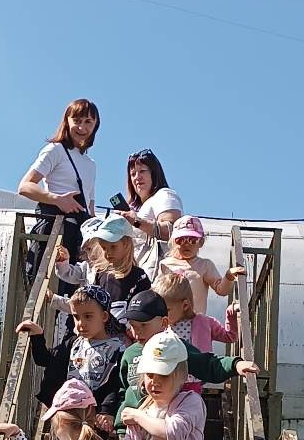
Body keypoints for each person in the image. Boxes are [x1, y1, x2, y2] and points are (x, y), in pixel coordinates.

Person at [114, 290, 257, 434]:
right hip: (129, 427)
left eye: (144, 325)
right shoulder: (130, 353)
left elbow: (207, 364)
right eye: (133, 326)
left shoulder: (175, 348)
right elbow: (123, 389)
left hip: (161, 424)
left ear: (164, 322)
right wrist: (116, 418)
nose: (137, 332)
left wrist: (235, 364)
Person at [18, 285, 124, 434]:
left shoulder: (116, 349)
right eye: (76, 317)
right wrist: (37, 335)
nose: (81, 323)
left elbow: (115, 385)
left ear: (104, 316)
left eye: (88, 316)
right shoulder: (74, 343)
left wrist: (107, 411)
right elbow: (45, 359)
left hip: (96, 419)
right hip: (68, 417)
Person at [18, 99, 100, 282]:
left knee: (73, 289)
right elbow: (25, 186)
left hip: (78, 236)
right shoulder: (55, 150)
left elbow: (90, 208)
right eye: (77, 120)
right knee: (44, 283)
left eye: (88, 122)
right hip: (55, 229)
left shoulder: (91, 165)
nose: (82, 127)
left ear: (95, 125)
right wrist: (57, 199)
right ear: (67, 121)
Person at [54, 214, 151, 326]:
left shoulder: (139, 277)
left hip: (125, 334)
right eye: (103, 248)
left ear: (126, 244)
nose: (108, 252)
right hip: (97, 332)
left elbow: (144, 312)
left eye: (113, 246)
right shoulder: (99, 273)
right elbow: (86, 306)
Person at [151, 273, 238, 392]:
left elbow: (229, 336)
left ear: (185, 305)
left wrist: (231, 314)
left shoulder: (204, 323)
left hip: (192, 382)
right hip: (167, 381)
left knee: (191, 403)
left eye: (166, 310)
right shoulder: (160, 325)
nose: (162, 315)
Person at [159, 215, 245, 314]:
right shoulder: (165, 264)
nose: (186, 244)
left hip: (195, 321)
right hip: (170, 320)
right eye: (181, 240)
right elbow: (158, 293)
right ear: (174, 242)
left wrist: (229, 276)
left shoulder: (204, 265)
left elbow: (222, 290)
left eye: (192, 239)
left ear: (201, 242)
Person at [119, 149, 182, 247]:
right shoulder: (141, 208)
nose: (137, 177)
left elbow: (171, 231)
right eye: (133, 174)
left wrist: (136, 221)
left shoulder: (164, 195)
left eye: (142, 171)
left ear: (154, 173)